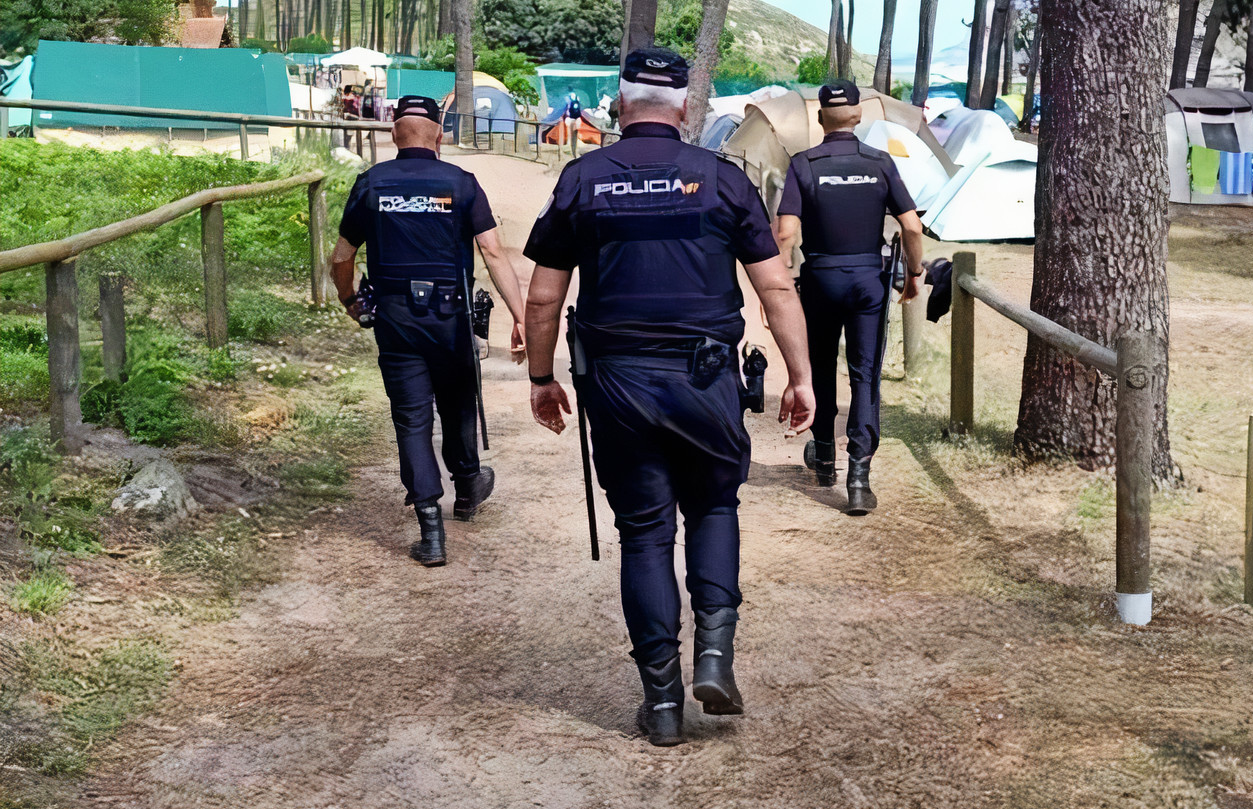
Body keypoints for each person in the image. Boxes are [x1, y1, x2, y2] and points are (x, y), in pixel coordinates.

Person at [521, 47, 814, 748]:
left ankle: (659, 704)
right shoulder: (722, 180)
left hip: (617, 383)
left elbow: (542, 297)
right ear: (685, 107)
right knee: (713, 505)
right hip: (706, 378)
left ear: (619, 105)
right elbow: (775, 288)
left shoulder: (582, 178)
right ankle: (714, 654)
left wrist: (540, 378)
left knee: (645, 532)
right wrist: (800, 374)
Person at [330, 95, 528, 567]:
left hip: (395, 319)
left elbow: (342, 257)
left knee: (412, 418)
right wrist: (521, 316)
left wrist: (349, 301)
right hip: (451, 317)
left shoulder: (371, 183)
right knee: (458, 400)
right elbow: (494, 253)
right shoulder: (461, 184)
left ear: (394, 134)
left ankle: (430, 530)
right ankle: (467, 487)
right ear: (440, 135)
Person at [775, 81, 925, 515]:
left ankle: (824, 453)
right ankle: (858, 476)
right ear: (859, 115)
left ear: (821, 118)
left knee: (819, 365)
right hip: (867, 281)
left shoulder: (803, 164)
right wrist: (913, 274)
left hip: (820, 277)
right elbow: (912, 228)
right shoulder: (879, 163)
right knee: (865, 375)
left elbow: (785, 233)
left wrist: (781, 286)